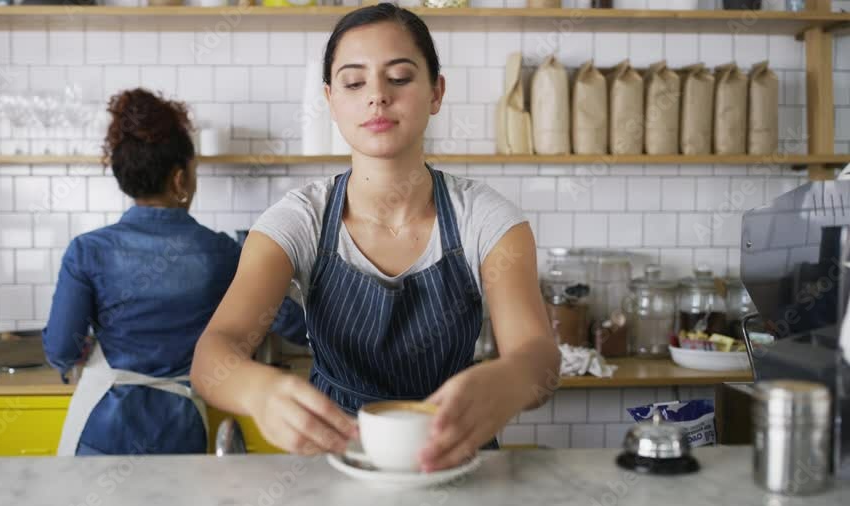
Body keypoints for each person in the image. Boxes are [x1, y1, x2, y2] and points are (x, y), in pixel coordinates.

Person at [193, 3, 560, 472]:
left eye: (400, 77)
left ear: (436, 92)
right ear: (330, 101)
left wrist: (510, 380)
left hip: (452, 464)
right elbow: (212, 355)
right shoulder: (297, 221)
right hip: (334, 464)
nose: (378, 96)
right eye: (354, 82)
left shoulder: (489, 221)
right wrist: (257, 390)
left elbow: (539, 358)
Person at [43, 89, 308, 456]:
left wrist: (78, 351)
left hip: (101, 428)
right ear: (180, 179)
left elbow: (60, 347)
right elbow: (286, 319)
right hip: (178, 429)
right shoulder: (221, 252)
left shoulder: (87, 251)